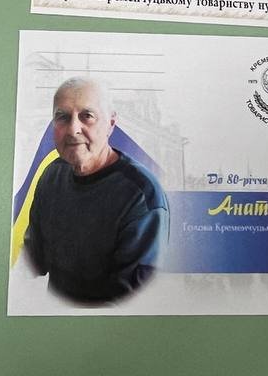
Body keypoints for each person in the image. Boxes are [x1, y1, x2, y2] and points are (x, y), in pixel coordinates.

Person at [23, 77, 168, 305]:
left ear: (111, 124)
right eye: (62, 117)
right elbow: (32, 260)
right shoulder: (52, 175)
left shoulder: (142, 195)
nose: (73, 129)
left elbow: (130, 301)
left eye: (87, 116)